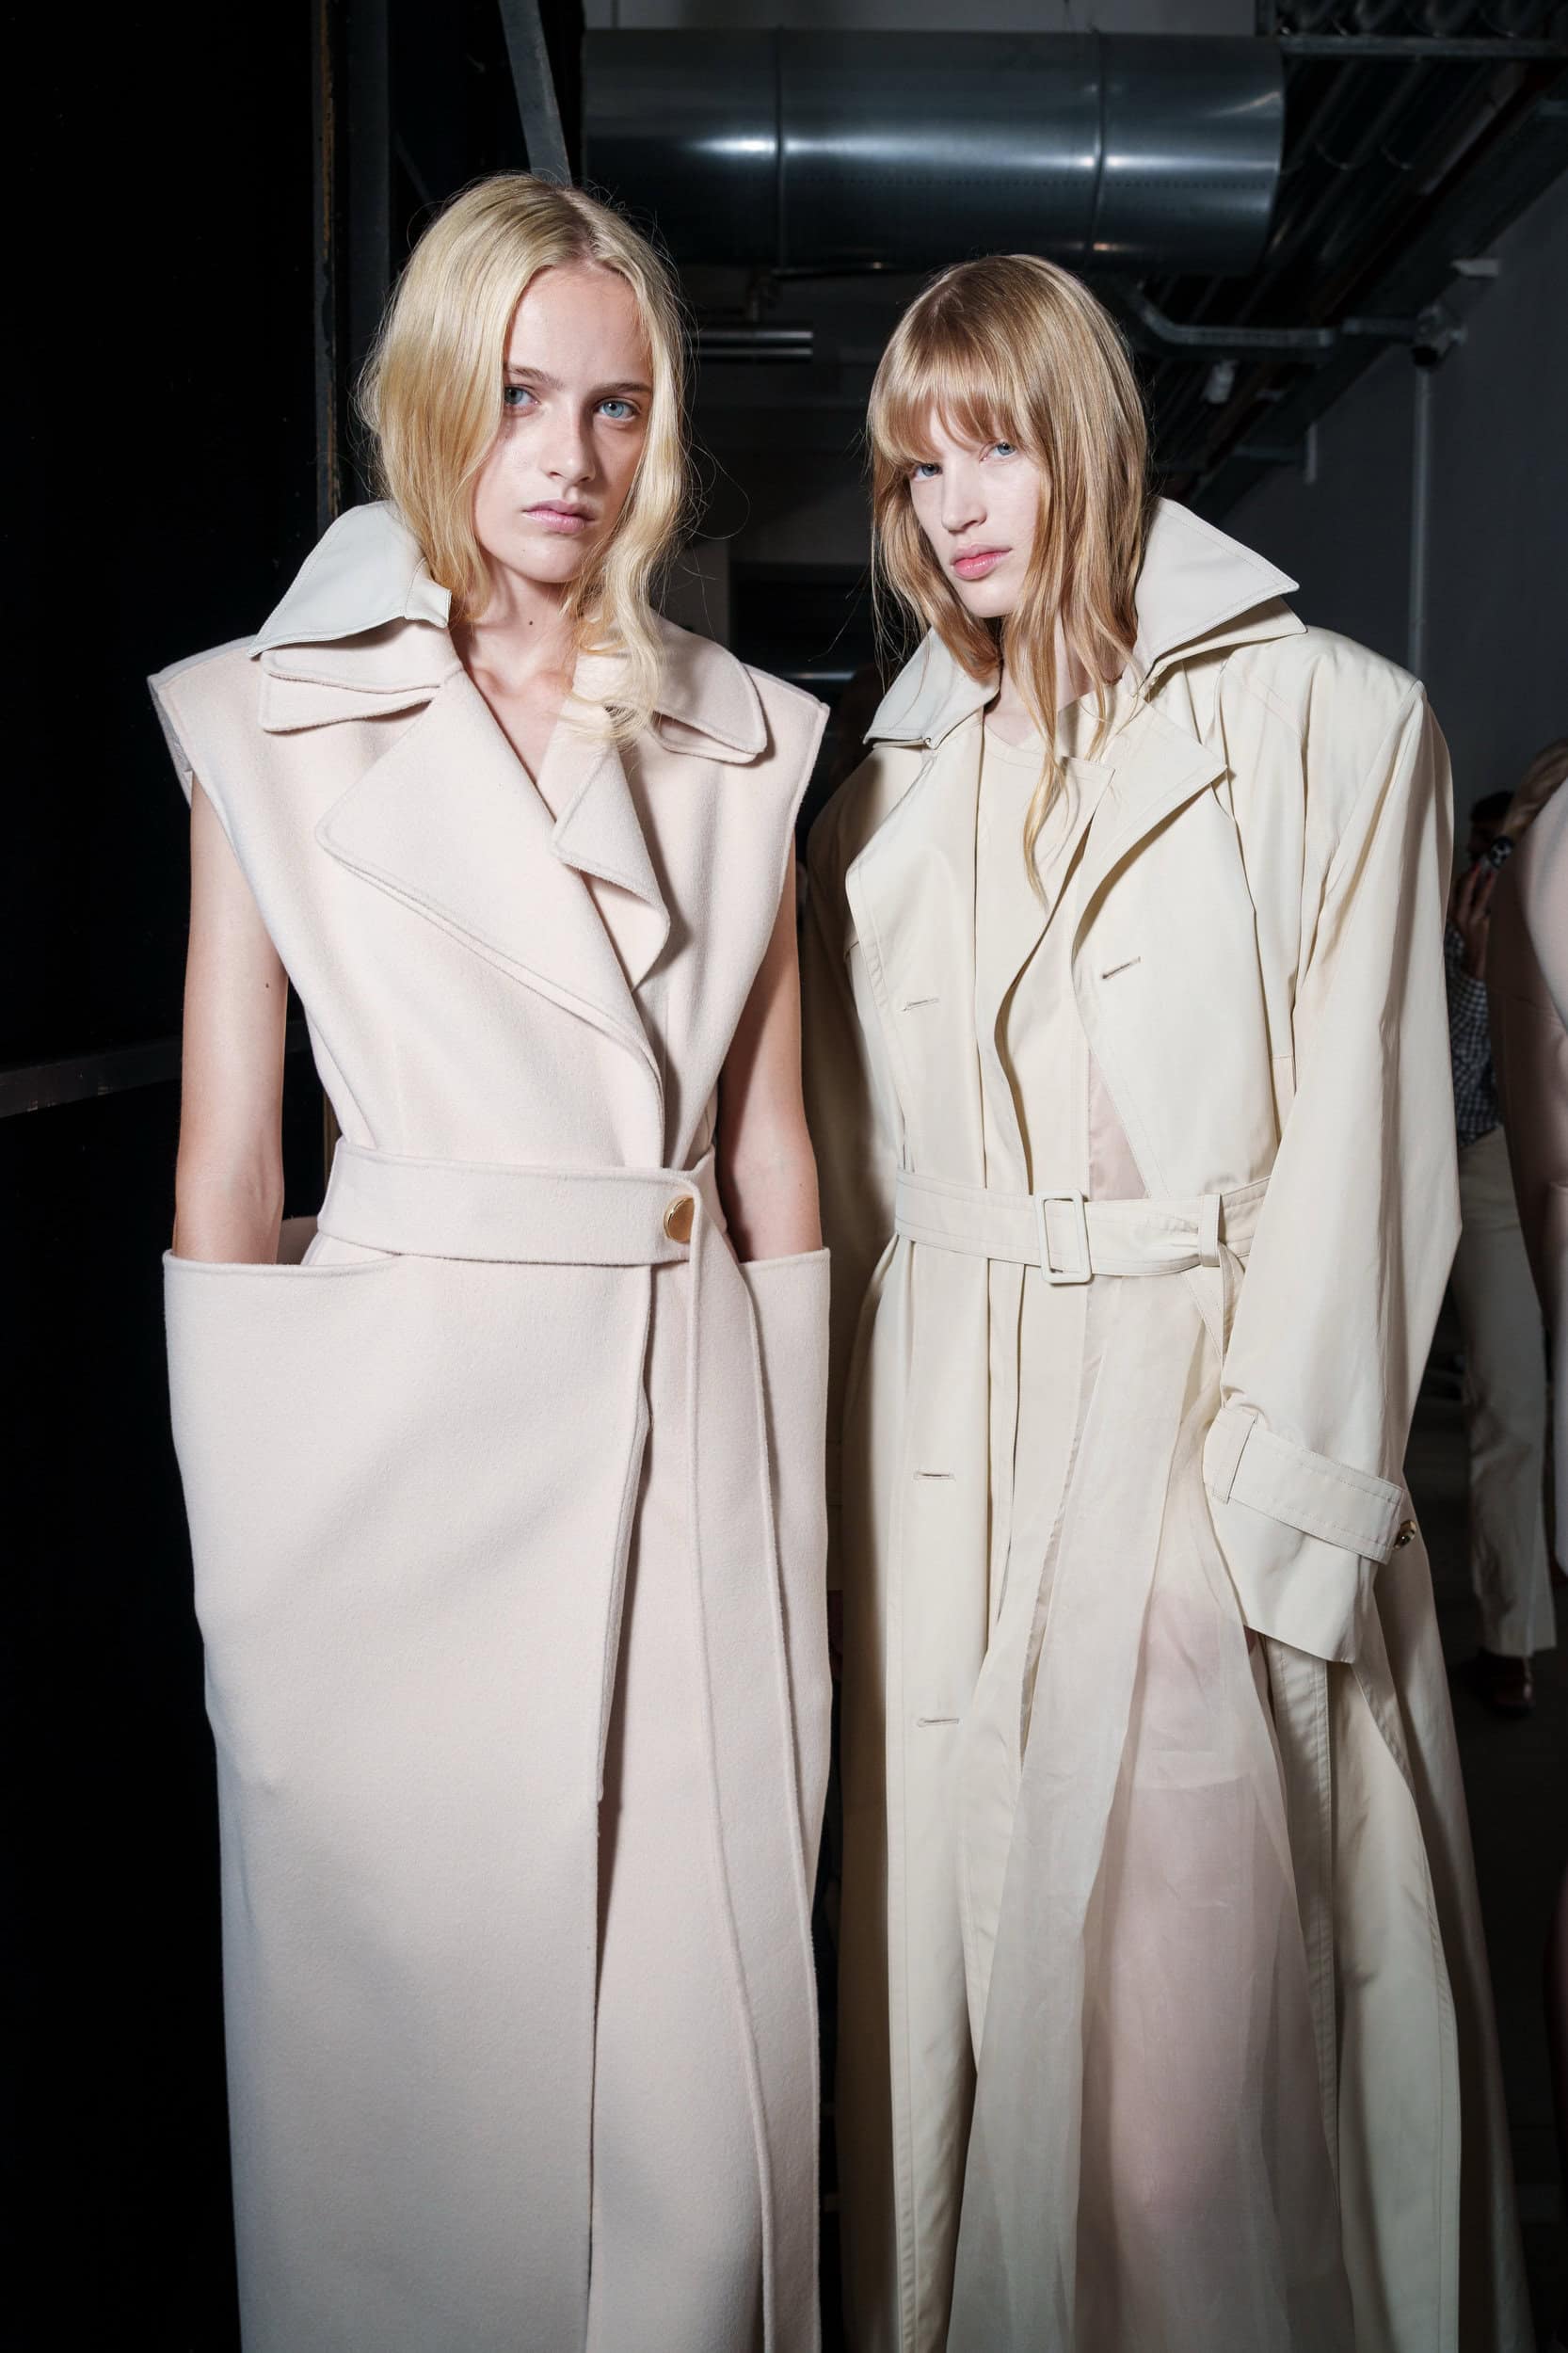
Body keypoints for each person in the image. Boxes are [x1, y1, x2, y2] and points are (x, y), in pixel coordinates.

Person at [802, 253, 1528, 2351]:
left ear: (1092, 436)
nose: (953, 506)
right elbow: (854, 1179)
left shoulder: (1337, 723)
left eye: (994, 444)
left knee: (1181, 2112)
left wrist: (1271, 1517)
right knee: (969, 2034)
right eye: (913, 467)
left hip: (1199, 1426)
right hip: (949, 1452)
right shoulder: (887, 786)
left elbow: (1369, 1152)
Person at [151, 174, 831, 2353]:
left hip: (679, 1434)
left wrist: (789, 1526)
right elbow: (228, 1154)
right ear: (438, 394)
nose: (568, 455)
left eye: (617, 407)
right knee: (410, 2167)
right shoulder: (264, 722)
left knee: (696, 2162)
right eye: (523, 395)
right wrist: (249, 1565)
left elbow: (772, 1156)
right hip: (378, 1496)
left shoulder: (744, 740)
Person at [1446, 786, 1555, 1711]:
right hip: (1476, 1168)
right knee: (1505, 1405)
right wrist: (1476, 971)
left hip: (1541, 1165)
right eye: (1482, 851)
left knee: (1520, 1410)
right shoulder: (1449, 932)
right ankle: (1506, 1639)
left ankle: (1513, 1630)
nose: (1491, 869)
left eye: (1506, 851)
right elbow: (1444, 1097)